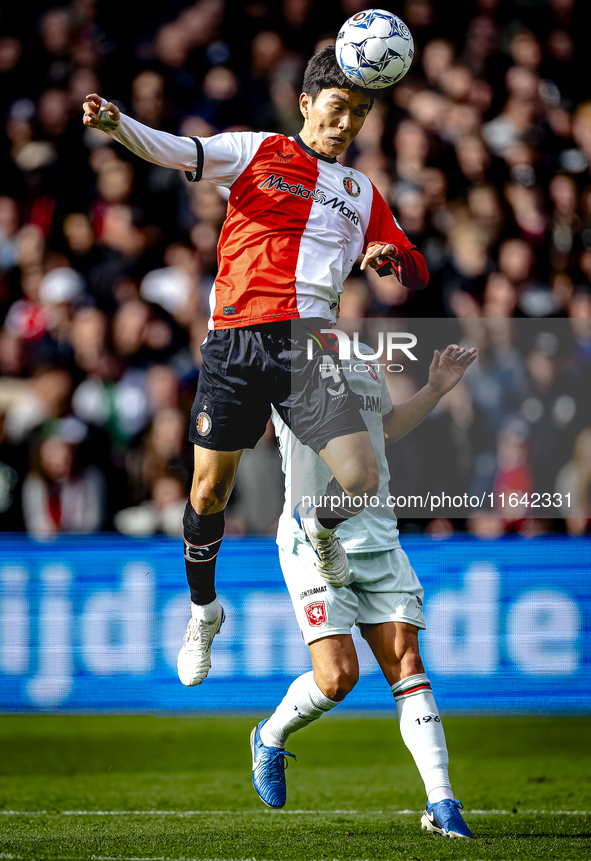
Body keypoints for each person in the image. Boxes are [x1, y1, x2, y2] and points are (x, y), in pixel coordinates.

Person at [82, 46, 429, 689]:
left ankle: (320, 534)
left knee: (360, 481)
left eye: (359, 111)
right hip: (236, 342)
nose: (347, 122)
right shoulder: (257, 150)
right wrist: (117, 125)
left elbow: (416, 265)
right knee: (208, 492)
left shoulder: (361, 192)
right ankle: (204, 612)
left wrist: (388, 256)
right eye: (337, 107)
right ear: (305, 104)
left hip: (309, 346)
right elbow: (175, 150)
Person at [250, 340, 476, 839]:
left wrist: (435, 390)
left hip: (377, 538)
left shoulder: (363, 359)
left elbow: (383, 430)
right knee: (336, 679)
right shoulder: (282, 361)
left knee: (408, 665)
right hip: (314, 540)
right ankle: (269, 735)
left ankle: (442, 802)